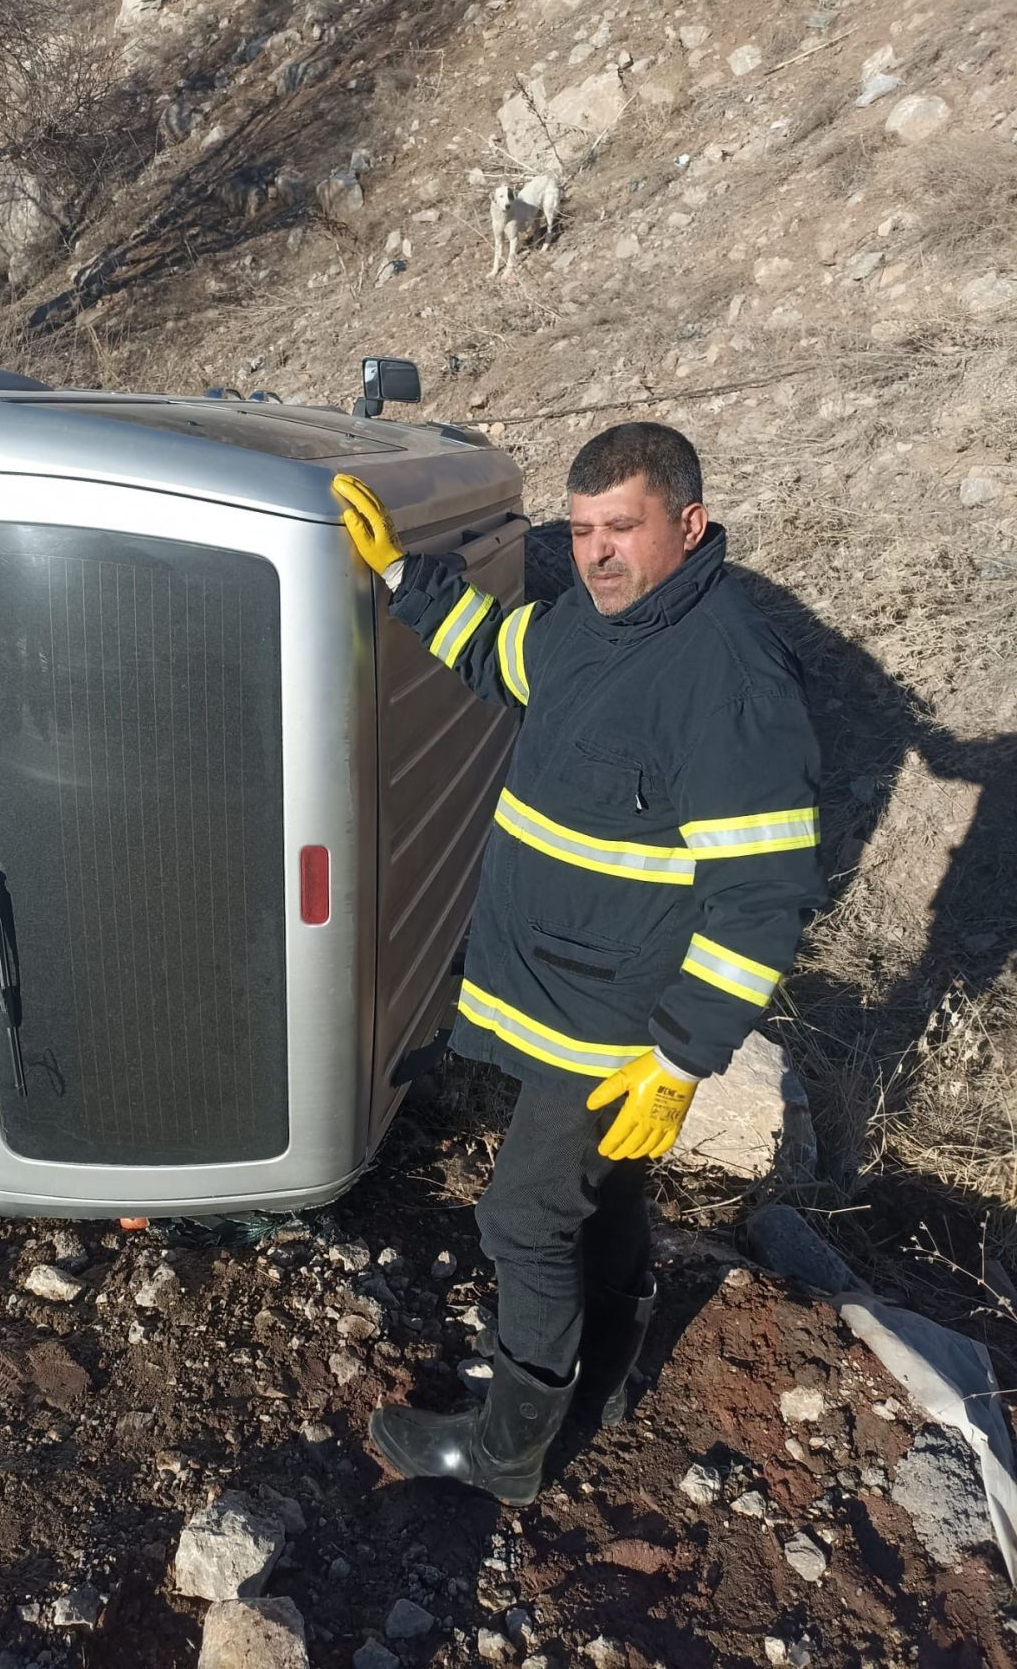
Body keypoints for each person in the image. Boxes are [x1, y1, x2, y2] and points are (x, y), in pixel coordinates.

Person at [334, 422, 826, 1506]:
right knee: (600, 1198)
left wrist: (679, 1057)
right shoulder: (589, 623)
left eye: (622, 527)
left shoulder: (730, 679)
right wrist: (401, 576)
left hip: (614, 1023)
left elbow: (761, 897)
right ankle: (598, 1382)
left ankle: (508, 1450)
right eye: (582, 529)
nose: (597, 551)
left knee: (522, 1216)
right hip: (560, 986)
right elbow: (496, 651)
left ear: (688, 525)